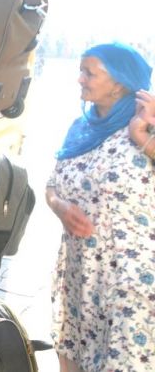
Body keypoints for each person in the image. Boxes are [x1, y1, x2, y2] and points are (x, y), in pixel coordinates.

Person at [46, 42, 154, 372]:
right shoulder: (81, 128)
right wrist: (60, 206)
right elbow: (51, 184)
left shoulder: (145, 126)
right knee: (75, 357)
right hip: (81, 277)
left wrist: (144, 138)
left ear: (119, 82)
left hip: (129, 281)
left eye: (89, 72)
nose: (80, 79)